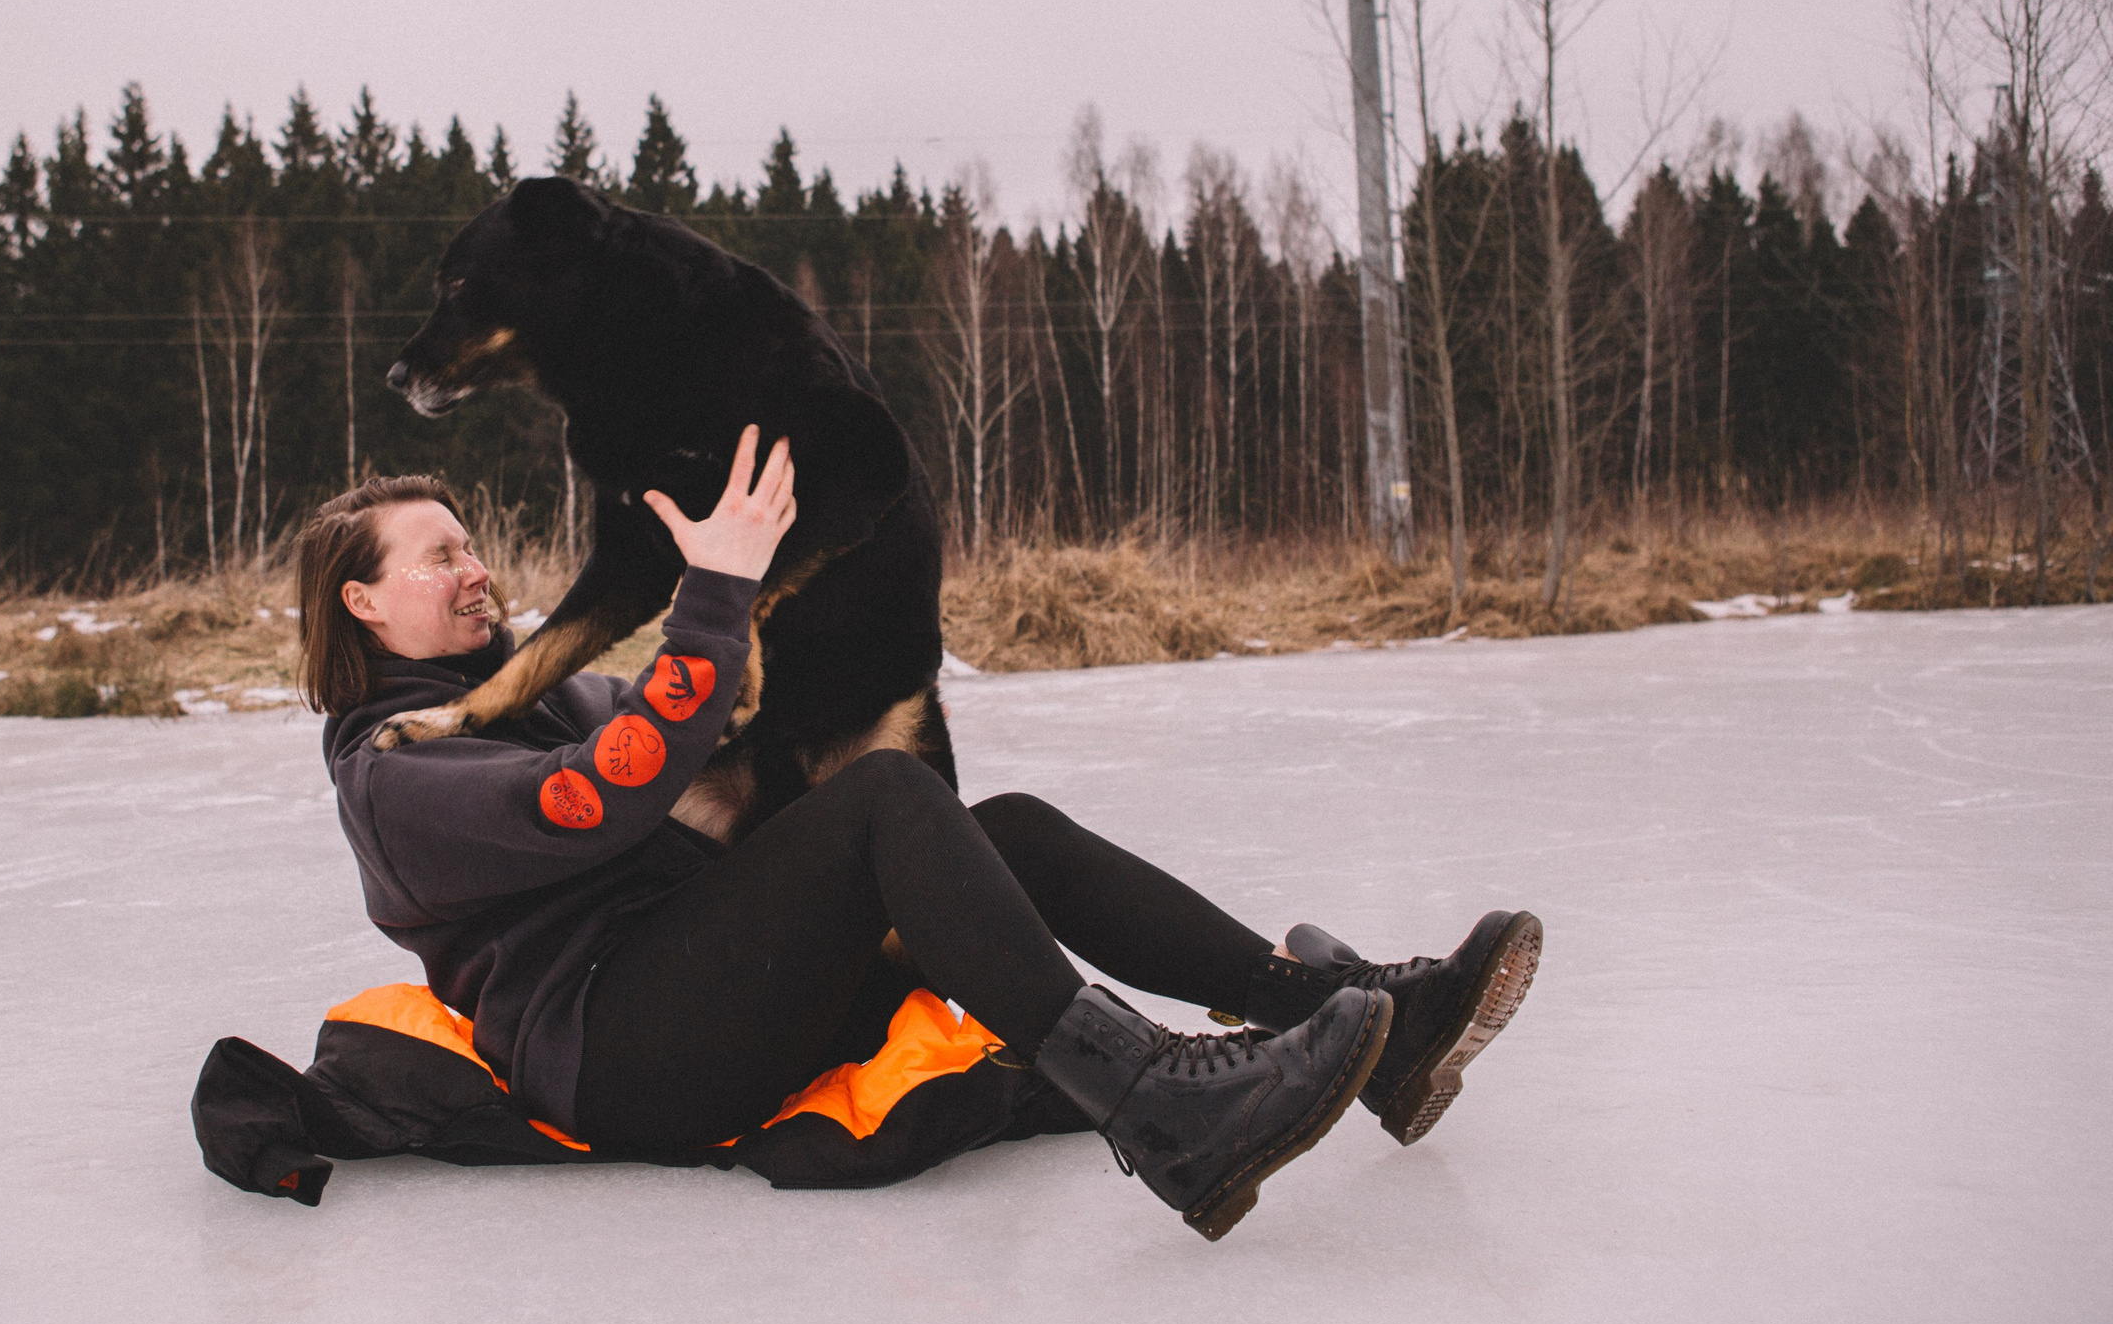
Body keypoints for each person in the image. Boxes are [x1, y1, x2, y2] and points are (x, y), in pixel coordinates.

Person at [299, 428, 1541, 1241]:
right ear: (362, 602)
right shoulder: (390, 772)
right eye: (434, 558)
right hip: (622, 1054)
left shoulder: (537, 693)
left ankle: (1358, 1021)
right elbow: (596, 796)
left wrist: (819, 603)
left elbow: (708, 741)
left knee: (1001, 829)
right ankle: (1161, 1110)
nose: (472, 570)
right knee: (885, 807)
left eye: (468, 545)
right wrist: (712, 600)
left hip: (707, 985)